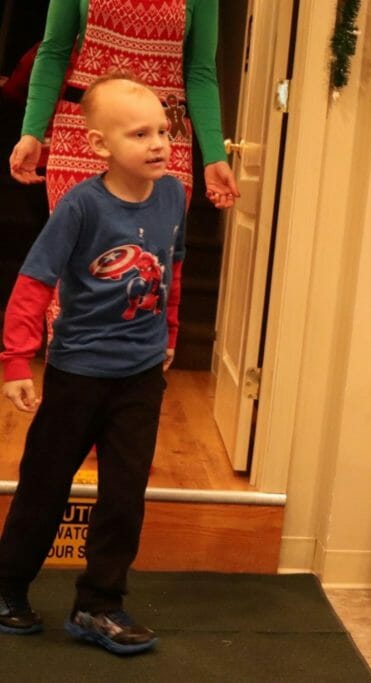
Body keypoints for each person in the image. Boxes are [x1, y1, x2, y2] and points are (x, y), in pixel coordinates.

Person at [0, 73, 185, 655]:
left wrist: (170, 334)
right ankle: (8, 589)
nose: (157, 143)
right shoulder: (81, 205)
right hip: (78, 373)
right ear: (101, 145)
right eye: (139, 133)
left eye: (162, 129)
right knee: (44, 485)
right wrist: (15, 363)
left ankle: (99, 604)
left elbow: (171, 267)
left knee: (124, 494)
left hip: (140, 375)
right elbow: (34, 282)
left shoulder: (175, 194)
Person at [7, 0, 239, 336]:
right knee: (74, 269)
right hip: (84, 134)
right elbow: (54, 51)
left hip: (164, 137)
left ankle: (135, 375)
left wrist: (215, 155)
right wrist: (31, 132)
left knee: (149, 267)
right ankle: (72, 377)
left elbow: (201, 71)